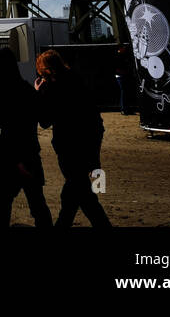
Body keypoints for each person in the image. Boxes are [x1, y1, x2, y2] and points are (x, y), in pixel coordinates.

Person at [35, 49, 111, 228]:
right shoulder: (76, 79)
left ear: (46, 70)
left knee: (75, 191)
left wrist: (39, 93)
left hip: (68, 146)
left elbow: (45, 121)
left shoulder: (53, 88)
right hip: (88, 142)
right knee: (80, 191)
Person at [0, 47, 52, 227]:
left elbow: (12, 126)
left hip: (10, 157)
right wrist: (40, 95)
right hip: (30, 152)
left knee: (1, 207)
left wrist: (18, 161)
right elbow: (43, 120)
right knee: (38, 206)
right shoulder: (27, 89)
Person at [114, 44, 134, 116]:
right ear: (120, 48)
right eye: (123, 47)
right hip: (120, 76)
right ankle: (123, 109)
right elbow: (117, 68)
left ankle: (126, 109)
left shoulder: (123, 55)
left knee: (126, 92)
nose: (124, 48)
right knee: (124, 92)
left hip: (123, 76)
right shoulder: (118, 56)